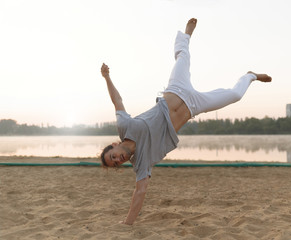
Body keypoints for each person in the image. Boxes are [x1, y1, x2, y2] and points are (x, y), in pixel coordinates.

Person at [100, 18, 272, 225]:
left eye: (113, 156)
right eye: (115, 163)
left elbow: (117, 100)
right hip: (193, 106)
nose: (118, 160)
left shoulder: (125, 126)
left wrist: (106, 77)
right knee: (235, 95)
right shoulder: (142, 162)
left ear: (114, 145)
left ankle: (186, 35)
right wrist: (127, 223)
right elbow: (140, 191)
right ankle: (250, 76)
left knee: (182, 56)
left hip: (176, 89)